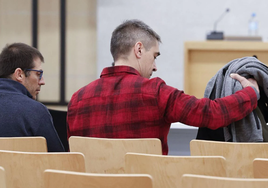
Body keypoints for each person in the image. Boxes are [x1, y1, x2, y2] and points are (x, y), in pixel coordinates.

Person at [67, 19, 259, 155]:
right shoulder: (155, 92)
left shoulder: (77, 99)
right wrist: (250, 93)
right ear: (139, 49)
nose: (155, 66)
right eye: (155, 56)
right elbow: (211, 113)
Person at [0, 42, 65, 152]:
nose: (42, 82)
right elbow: (58, 160)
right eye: (39, 74)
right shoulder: (35, 111)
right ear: (19, 74)